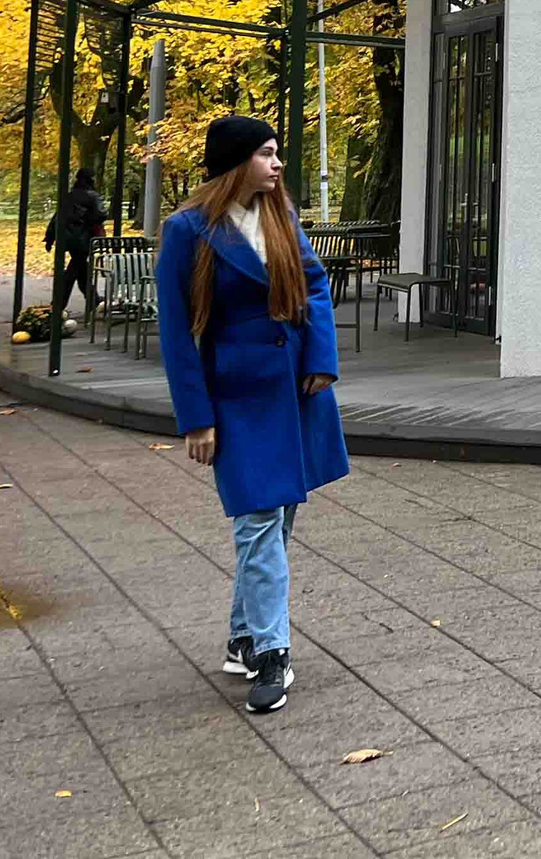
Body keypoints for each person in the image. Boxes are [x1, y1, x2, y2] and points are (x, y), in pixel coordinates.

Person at [155, 115, 347, 714]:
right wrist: (196, 417)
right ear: (237, 162)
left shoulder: (281, 216)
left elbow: (314, 285)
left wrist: (321, 357)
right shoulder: (187, 230)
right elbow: (176, 332)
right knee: (259, 521)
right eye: (267, 154)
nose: (278, 164)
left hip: (296, 388)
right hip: (236, 397)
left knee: (277, 519)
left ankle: (242, 638)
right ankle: (273, 653)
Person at [43, 167, 107, 326]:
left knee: (80, 269)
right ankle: (58, 304)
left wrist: (50, 237)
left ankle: (93, 300)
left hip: (68, 238)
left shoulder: (69, 196)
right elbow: (101, 214)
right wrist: (89, 220)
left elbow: (57, 217)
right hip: (84, 238)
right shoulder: (92, 196)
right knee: (74, 270)